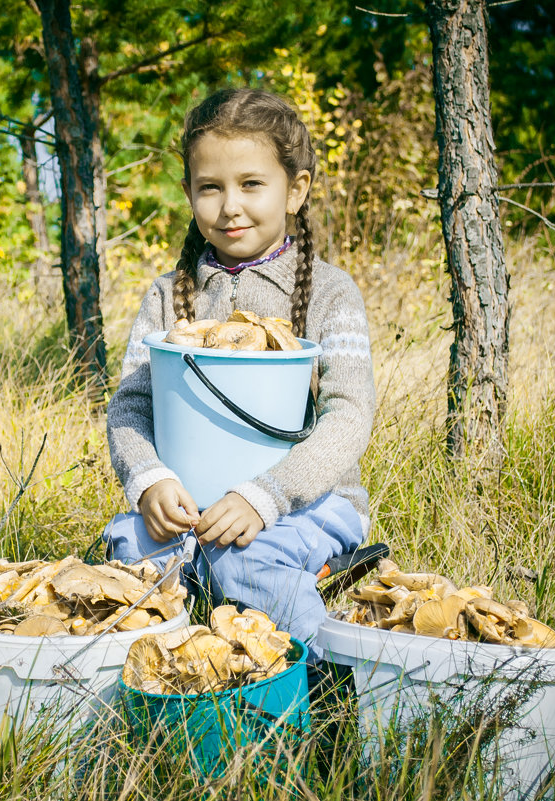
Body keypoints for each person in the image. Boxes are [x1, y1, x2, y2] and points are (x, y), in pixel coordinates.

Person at [103, 87, 375, 648]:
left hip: (308, 502)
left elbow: (349, 414)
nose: (230, 206)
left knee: (246, 562)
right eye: (210, 187)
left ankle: (323, 683)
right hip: (189, 508)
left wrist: (267, 495)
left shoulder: (328, 293)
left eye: (252, 184)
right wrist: (149, 480)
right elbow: (131, 405)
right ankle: (154, 681)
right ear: (188, 193)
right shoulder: (165, 298)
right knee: (127, 547)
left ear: (295, 190)